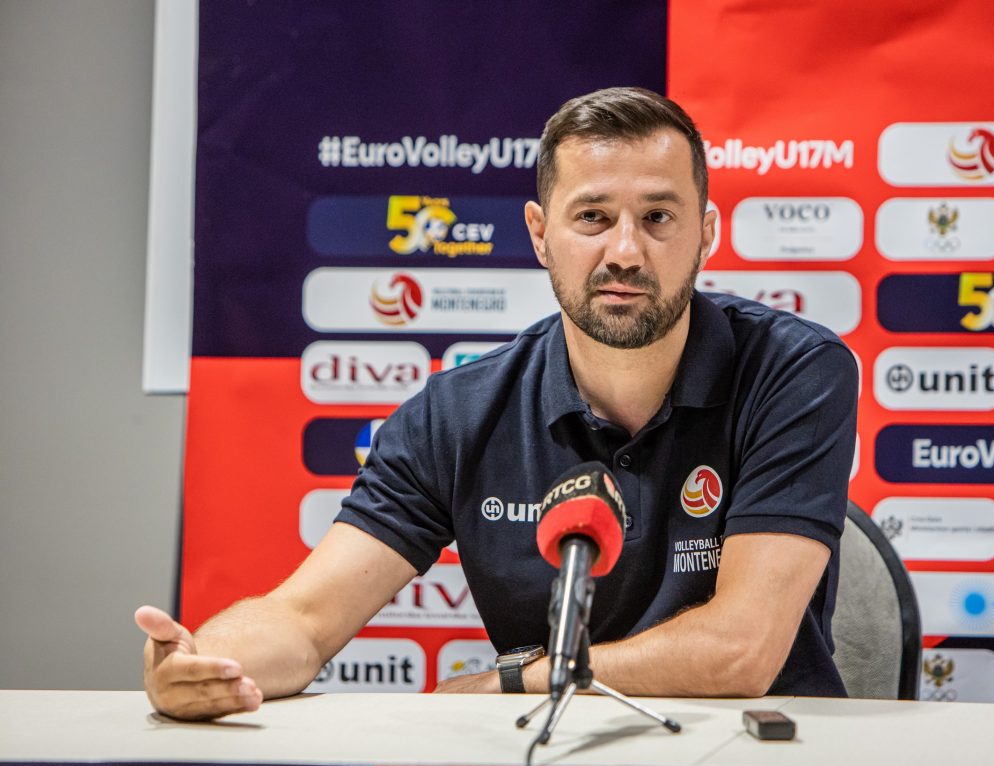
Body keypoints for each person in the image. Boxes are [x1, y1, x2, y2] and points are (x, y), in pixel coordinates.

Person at [136, 87, 857, 720]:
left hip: (753, 757)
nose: (625, 252)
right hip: (551, 756)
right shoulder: (457, 414)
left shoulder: (793, 371)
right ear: (540, 235)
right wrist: (206, 663)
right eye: (593, 217)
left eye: (659, 217)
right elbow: (303, 618)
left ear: (706, 234)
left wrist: (515, 680)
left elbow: (740, 651)